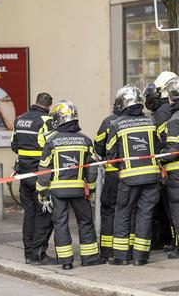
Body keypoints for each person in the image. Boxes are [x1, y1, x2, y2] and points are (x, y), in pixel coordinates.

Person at [36, 100, 105, 270]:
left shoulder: (51, 141)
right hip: (79, 190)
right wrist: (92, 189)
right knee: (85, 222)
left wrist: (42, 192)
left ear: (58, 119)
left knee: (60, 223)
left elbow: (44, 170)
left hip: (57, 191)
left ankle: (66, 262)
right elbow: (92, 170)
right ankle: (89, 258)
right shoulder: (85, 140)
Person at [106, 84, 161, 266]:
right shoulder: (151, 123)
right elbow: (159, 147)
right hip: (152, 178)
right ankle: (140, 257)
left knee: (123, 213)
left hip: (129, 179)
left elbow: (111, 156)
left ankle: (121, 257)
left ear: (123, 103)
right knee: (145, 214)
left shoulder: (117, 124)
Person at [11, 93, 55, 265]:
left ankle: (28, 254)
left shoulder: (19, 119)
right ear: (49, 105)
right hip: (40, 174)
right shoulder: (47, 120)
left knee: (29, 214)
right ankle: (39, 254)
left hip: (24, 173)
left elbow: (14, 145)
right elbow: (52, 146)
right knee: (44, 214)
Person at [144, 71, 177, 252]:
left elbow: (156, 137)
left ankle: (173, 240)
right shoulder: (169, 110)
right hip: (169, 164)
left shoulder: (164, 112)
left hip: (168, 165)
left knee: (170, 207)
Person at [94, 99, 122, 260]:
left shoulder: (109, 121)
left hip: (112, 174)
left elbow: (98, 145)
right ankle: (127, 250)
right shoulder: (141, 121)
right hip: (133, 173)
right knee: (129, 211)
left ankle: (107, 250)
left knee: (109, 210)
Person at [160, 77, 179, 259]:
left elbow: (174, 150)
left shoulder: (174, 119)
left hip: (176, 174)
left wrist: (159, 159)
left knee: (177, 209)